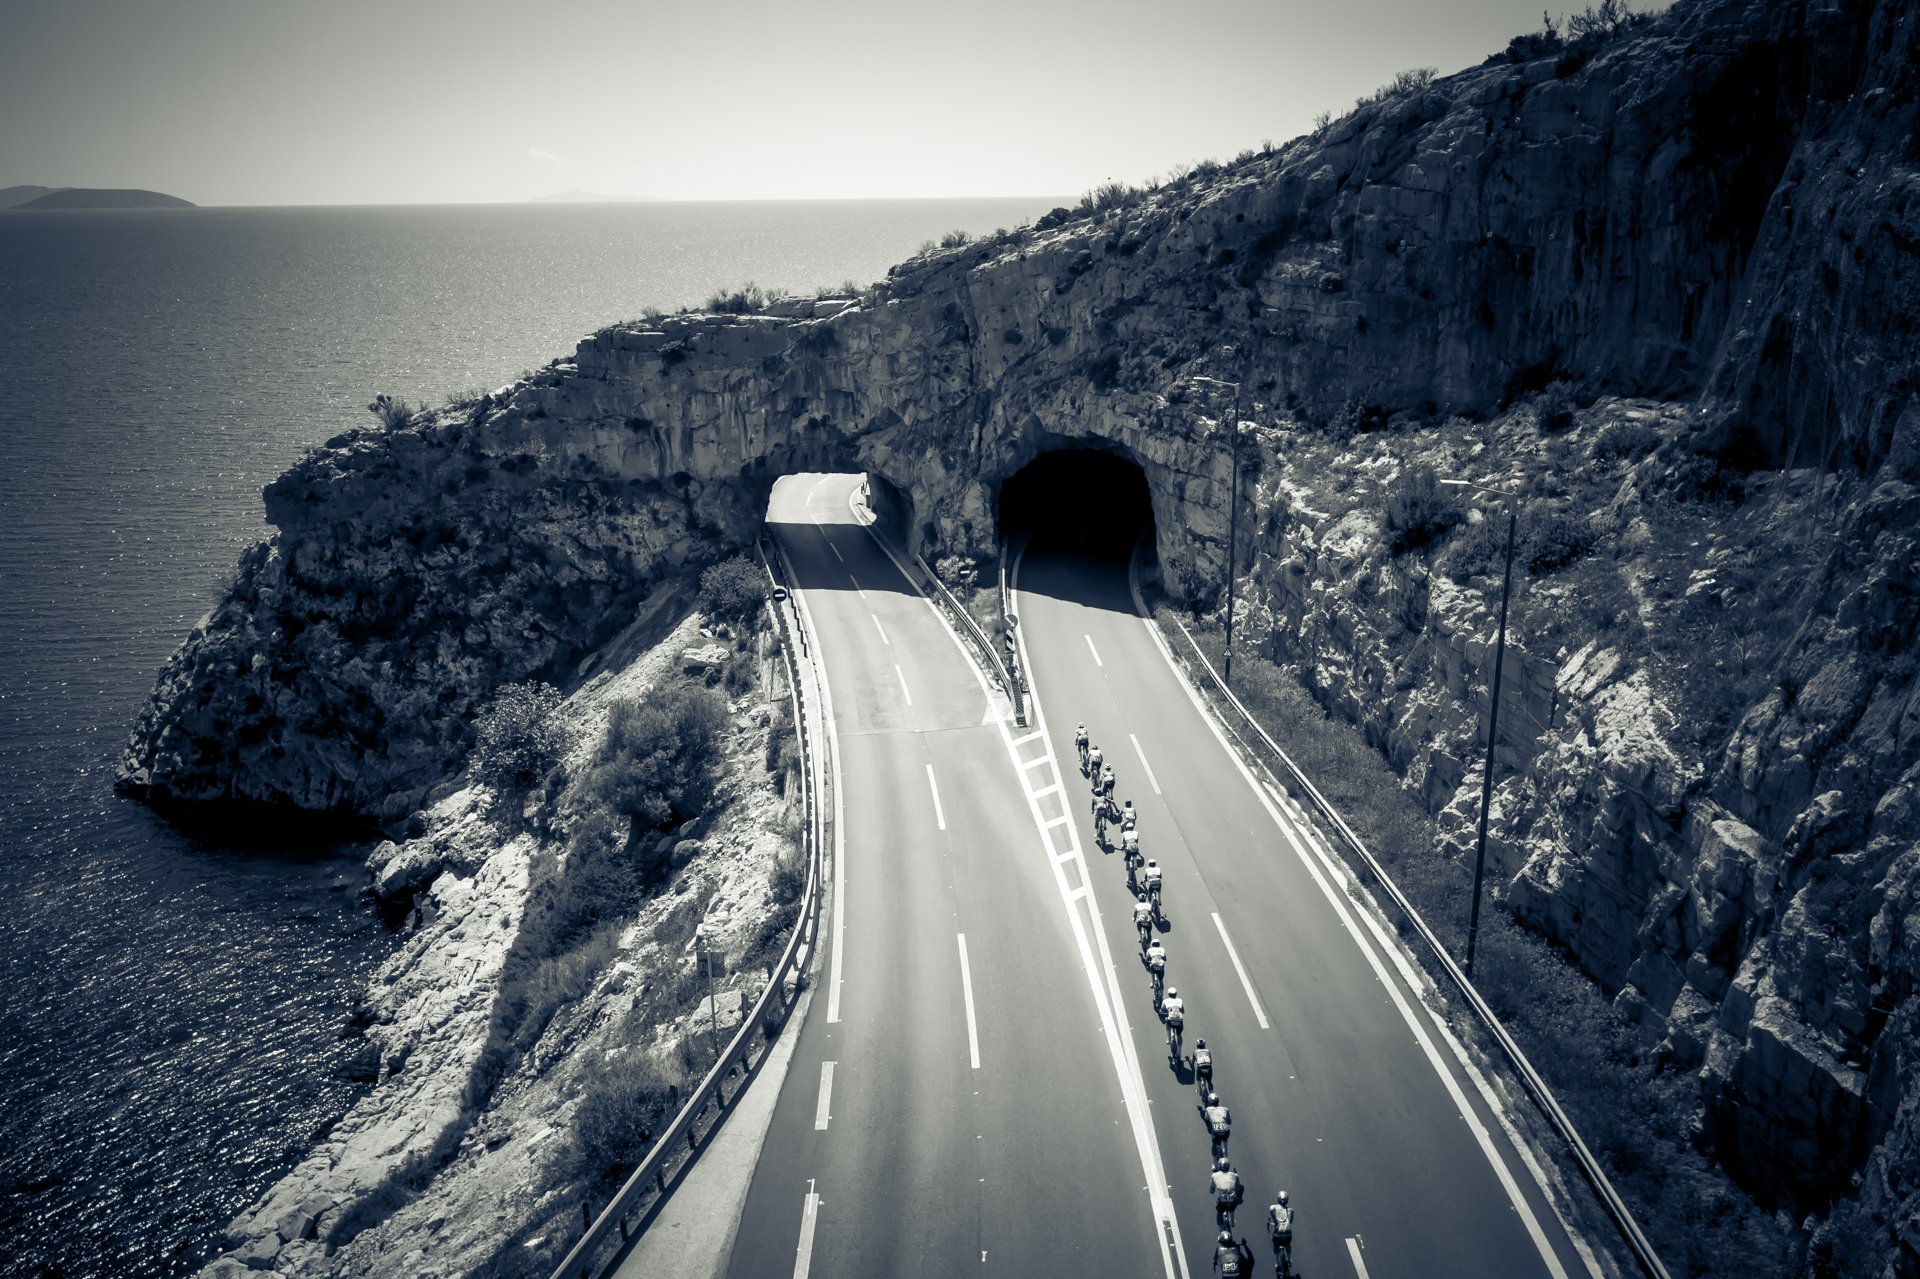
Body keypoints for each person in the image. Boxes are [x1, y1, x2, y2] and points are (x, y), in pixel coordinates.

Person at [1267, 1190, 1293, 1277]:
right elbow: (1291, 1221)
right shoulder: (1290, 1210)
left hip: (1278, 1235)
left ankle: (1277, 1263)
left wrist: (1275, 1222)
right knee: (1287, 1244)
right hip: (1287, 1236)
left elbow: (1271, 1209)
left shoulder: (1274, 1207)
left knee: (1275, 1244)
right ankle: (1289, 1260)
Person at [1209, 1157, 1243, 1227]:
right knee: (1233, 1202)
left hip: (1222, 1202)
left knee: (1219, 1211)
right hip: (1232, 1203)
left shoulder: (1214, 1175)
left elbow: (1212, 1191)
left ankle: (1220, 1229)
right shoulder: (1235, 1175)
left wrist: (1211, 1190)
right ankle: (1232, 1221)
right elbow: (1237, 1188)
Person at [1202, 1091, 1232, 1158]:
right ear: (1218, 1101)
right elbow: (1229, 1122)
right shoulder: (1225, 1109)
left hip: (1216, 1132)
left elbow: (1206, 1118)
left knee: (1214, 1144)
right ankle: (1226, 1151)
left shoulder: (1208, 1109)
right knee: (1225, 1136)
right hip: (1225, 1131)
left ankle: (1214, 1161)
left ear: (1209, 1103)